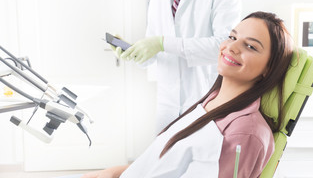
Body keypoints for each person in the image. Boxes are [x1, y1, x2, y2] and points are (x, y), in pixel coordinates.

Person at [83, 11, 294, 178]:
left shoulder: (245, 133)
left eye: (250, 46)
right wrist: (117, 172)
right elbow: (165, 164)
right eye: (232, 37)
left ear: (269, 68)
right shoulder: (210, 102)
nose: (231, 47)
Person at [113, 0, 242, 132]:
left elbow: (225, 47)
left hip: (205, 99)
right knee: (163, 160)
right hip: (168, 105)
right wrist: (134, 53)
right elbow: (153, 53)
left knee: (202, 160)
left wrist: (163, 43)